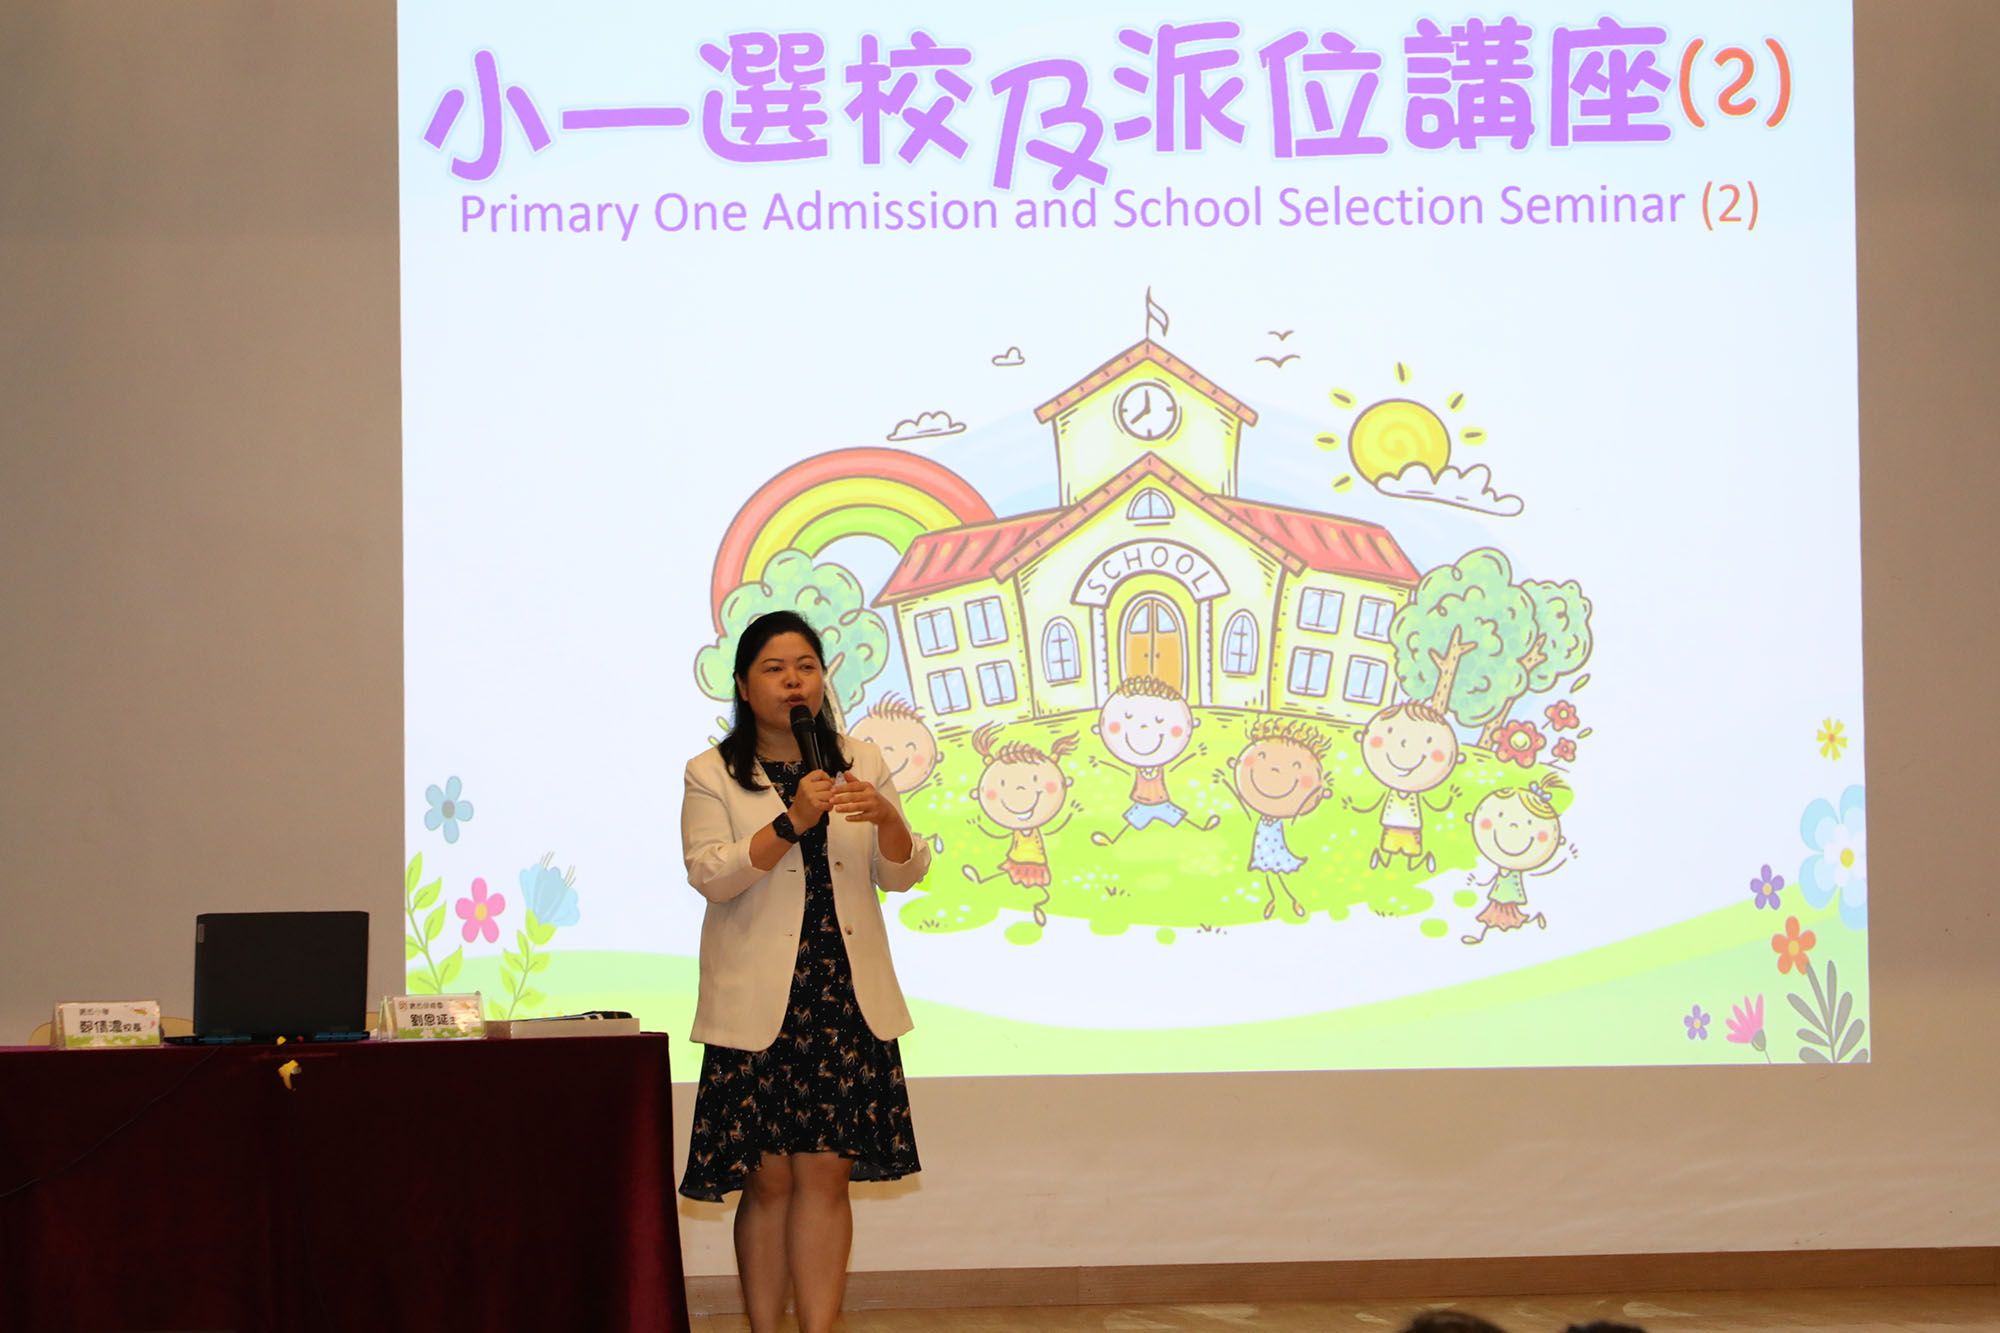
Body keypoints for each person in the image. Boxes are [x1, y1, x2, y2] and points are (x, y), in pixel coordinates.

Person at [679, 610, 932, 1333]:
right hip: (760, 1001)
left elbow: (901, 872)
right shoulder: (711, 773)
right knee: (769, 1181)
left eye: (807, 667)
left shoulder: (861, 760)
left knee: (826, 1176)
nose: (794, 681)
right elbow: (711, 874)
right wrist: (791, 819)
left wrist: (888, 818)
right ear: (743, 685)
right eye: (775, 668)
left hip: (843, 995)